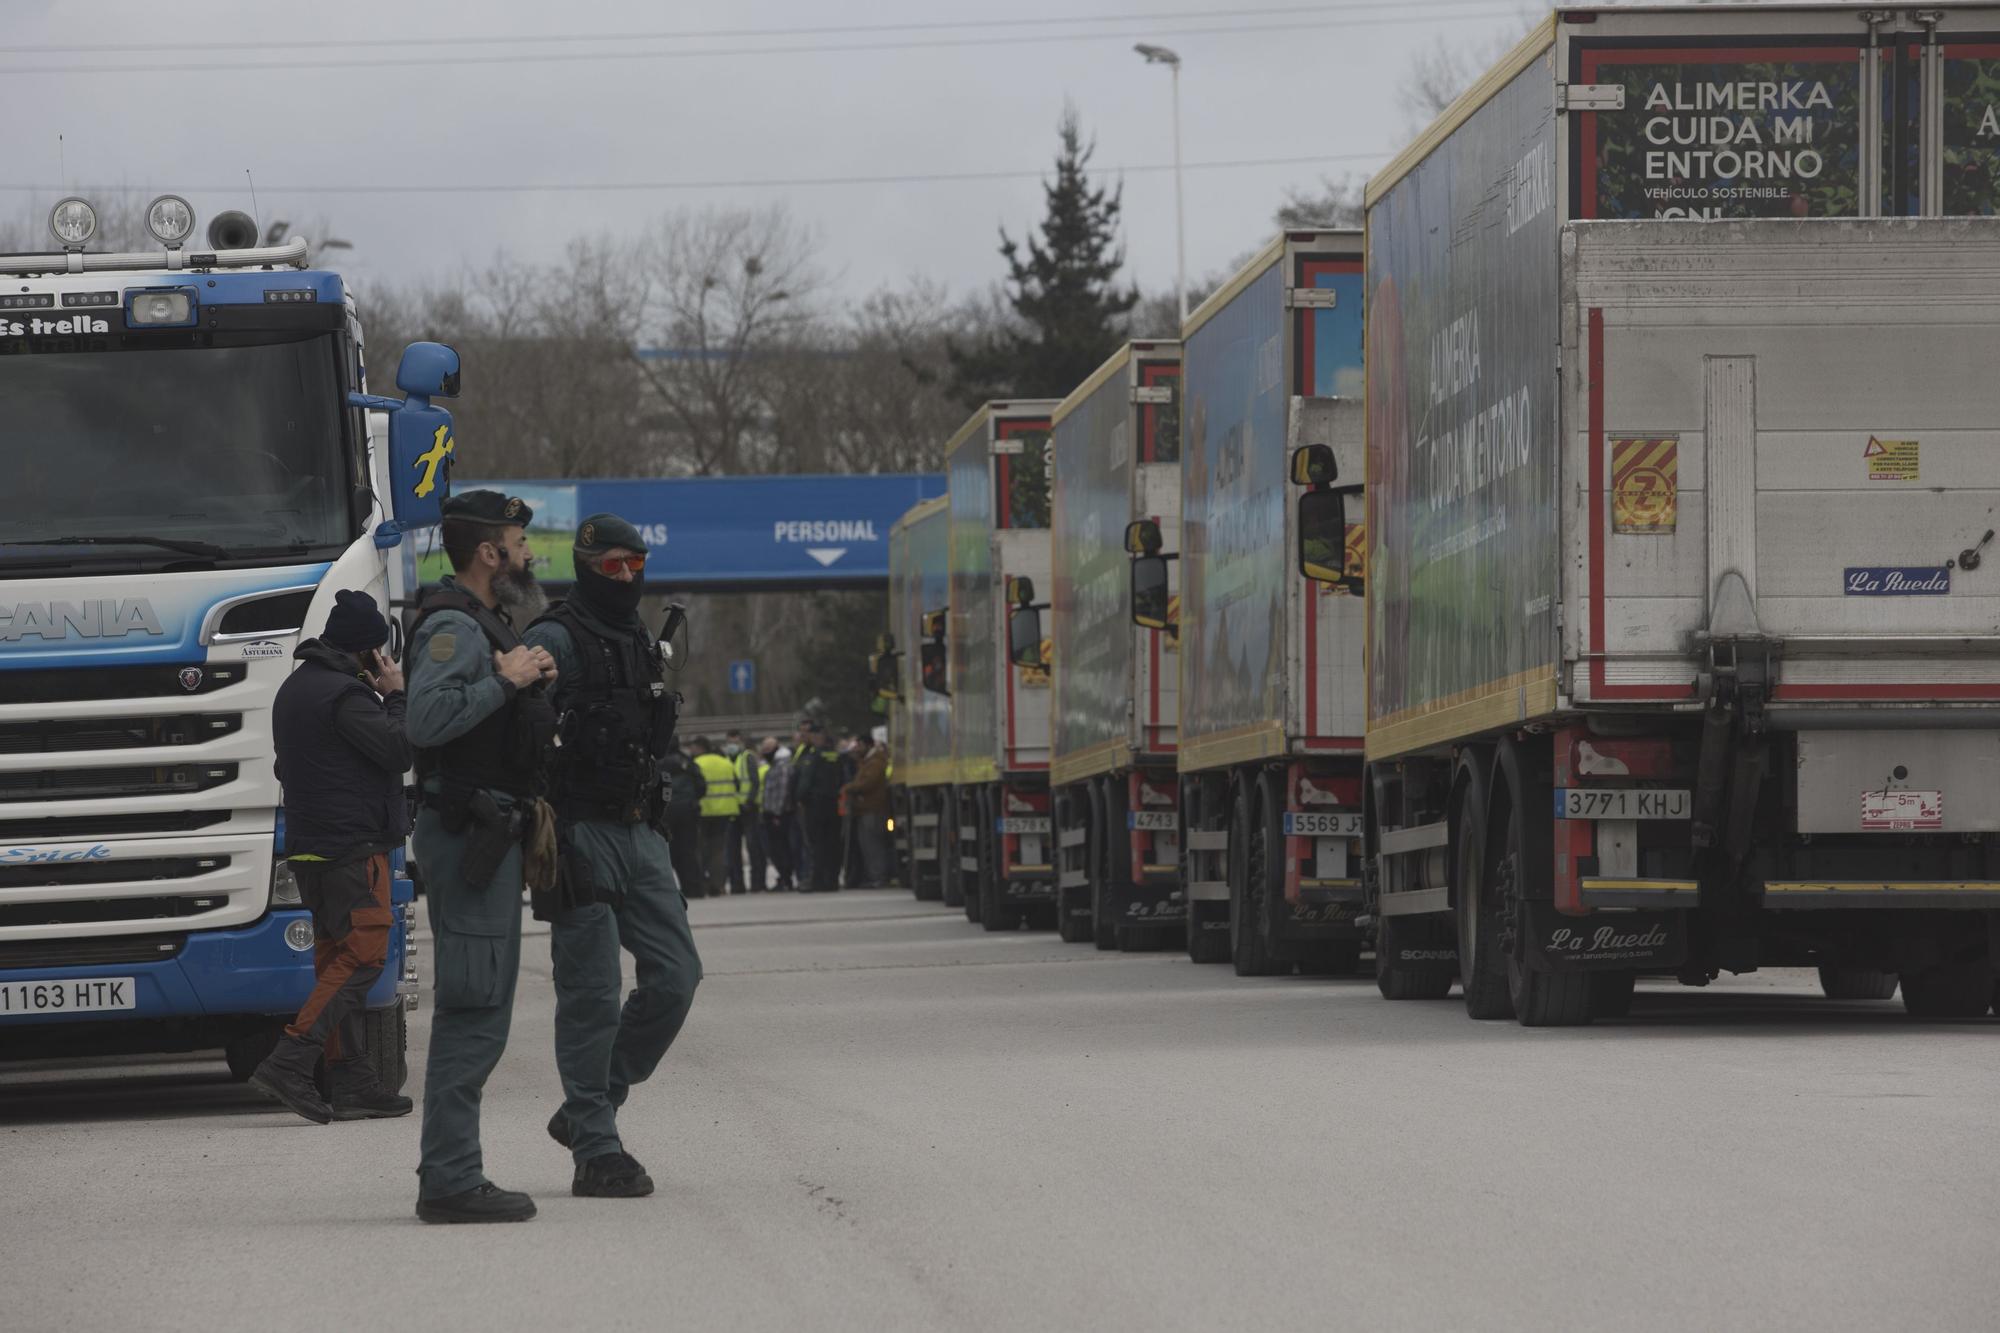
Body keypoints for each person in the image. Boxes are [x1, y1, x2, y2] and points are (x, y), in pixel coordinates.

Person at [525, 513, 702, 1201]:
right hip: (577, 834)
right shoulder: (555, 639)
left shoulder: (638, 638)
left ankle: (587, 1106)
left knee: (677, 976)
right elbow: (517, 727)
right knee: (592, 994)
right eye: (613, 568)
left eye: (636, 565)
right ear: (585, 565)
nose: (627, 578)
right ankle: (597, 1148)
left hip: (638, 830)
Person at [405, 489, 560, 1225]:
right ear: (487, 553)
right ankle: (450, 1179)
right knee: (471, 1005)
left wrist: (520, 680)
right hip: (467, 836)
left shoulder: (485, 625)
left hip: (488, 835)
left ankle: (454, 1171)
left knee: (484, 1005)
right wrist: (505, 679)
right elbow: (427, 719)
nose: (529, 555)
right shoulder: (450, 626)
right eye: (518, 541)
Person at [249, 590, 413, 1125]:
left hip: (310, 849)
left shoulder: (296, 689)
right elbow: (399, 748)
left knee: (335, 961)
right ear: (371, 651)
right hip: (350, 850)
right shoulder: (347, 696)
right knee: (363, 957)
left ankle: (351, 1079)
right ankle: (291, 1062)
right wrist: (396, 695)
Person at [791, 718, 843, 893]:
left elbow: (806, 782)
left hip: (816, 806)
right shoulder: (835, 755)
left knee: (817, 845)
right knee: (832, 844)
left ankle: (818, 881)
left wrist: (799, 798)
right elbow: (843, 778)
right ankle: (832, 881)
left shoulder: (813, 756)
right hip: (834, 805)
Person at [690, 736, 740, 896]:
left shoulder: (697, 763)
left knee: (699, 849)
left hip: (703, 812)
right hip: (724, 811)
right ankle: (718, 885)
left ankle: (702, 884)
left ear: (700, 748)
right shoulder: (726, 762)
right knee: (718, 851)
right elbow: (736, 784)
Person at [842, 734, 893, 889]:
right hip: (865, 810)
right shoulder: (867, 762)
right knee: (868, 846)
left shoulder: (876, 762)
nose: (857, 749)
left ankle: (879, 877)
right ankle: (874, 876)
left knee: (873, 845)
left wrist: (848, 788)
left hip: (873, 809)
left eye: (859, 746)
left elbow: (866, 783)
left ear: (867, 745)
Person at [659, 743, 706, 903]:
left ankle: (668, 890)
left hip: (666, 811)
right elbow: (701, 786)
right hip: (688, 810)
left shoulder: (658, 762)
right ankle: (694, 887)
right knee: (689, 850)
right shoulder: (687, 762)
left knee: (667, 851)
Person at [724, 729, 768, 892]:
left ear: (741, 742)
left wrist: (748, 801)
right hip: (733, 809)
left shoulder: (747, 756)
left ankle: (758, 883)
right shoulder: (727, 759)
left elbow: (754, 782)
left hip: (749, 809)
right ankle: (737, 885)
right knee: (733, 849)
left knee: (754, 847)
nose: (732, 745)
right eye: (730, 742)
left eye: (735, 742)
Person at [758, 737, 796, 892]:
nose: (765, 753)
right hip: (771, 813)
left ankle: (786, 878)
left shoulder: (782, 767)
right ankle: (783, 877)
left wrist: (777, 814)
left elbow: (782, 791)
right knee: (775, 849)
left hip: (778, 814)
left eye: (767, 749)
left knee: (780, 848)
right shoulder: (775, 765)